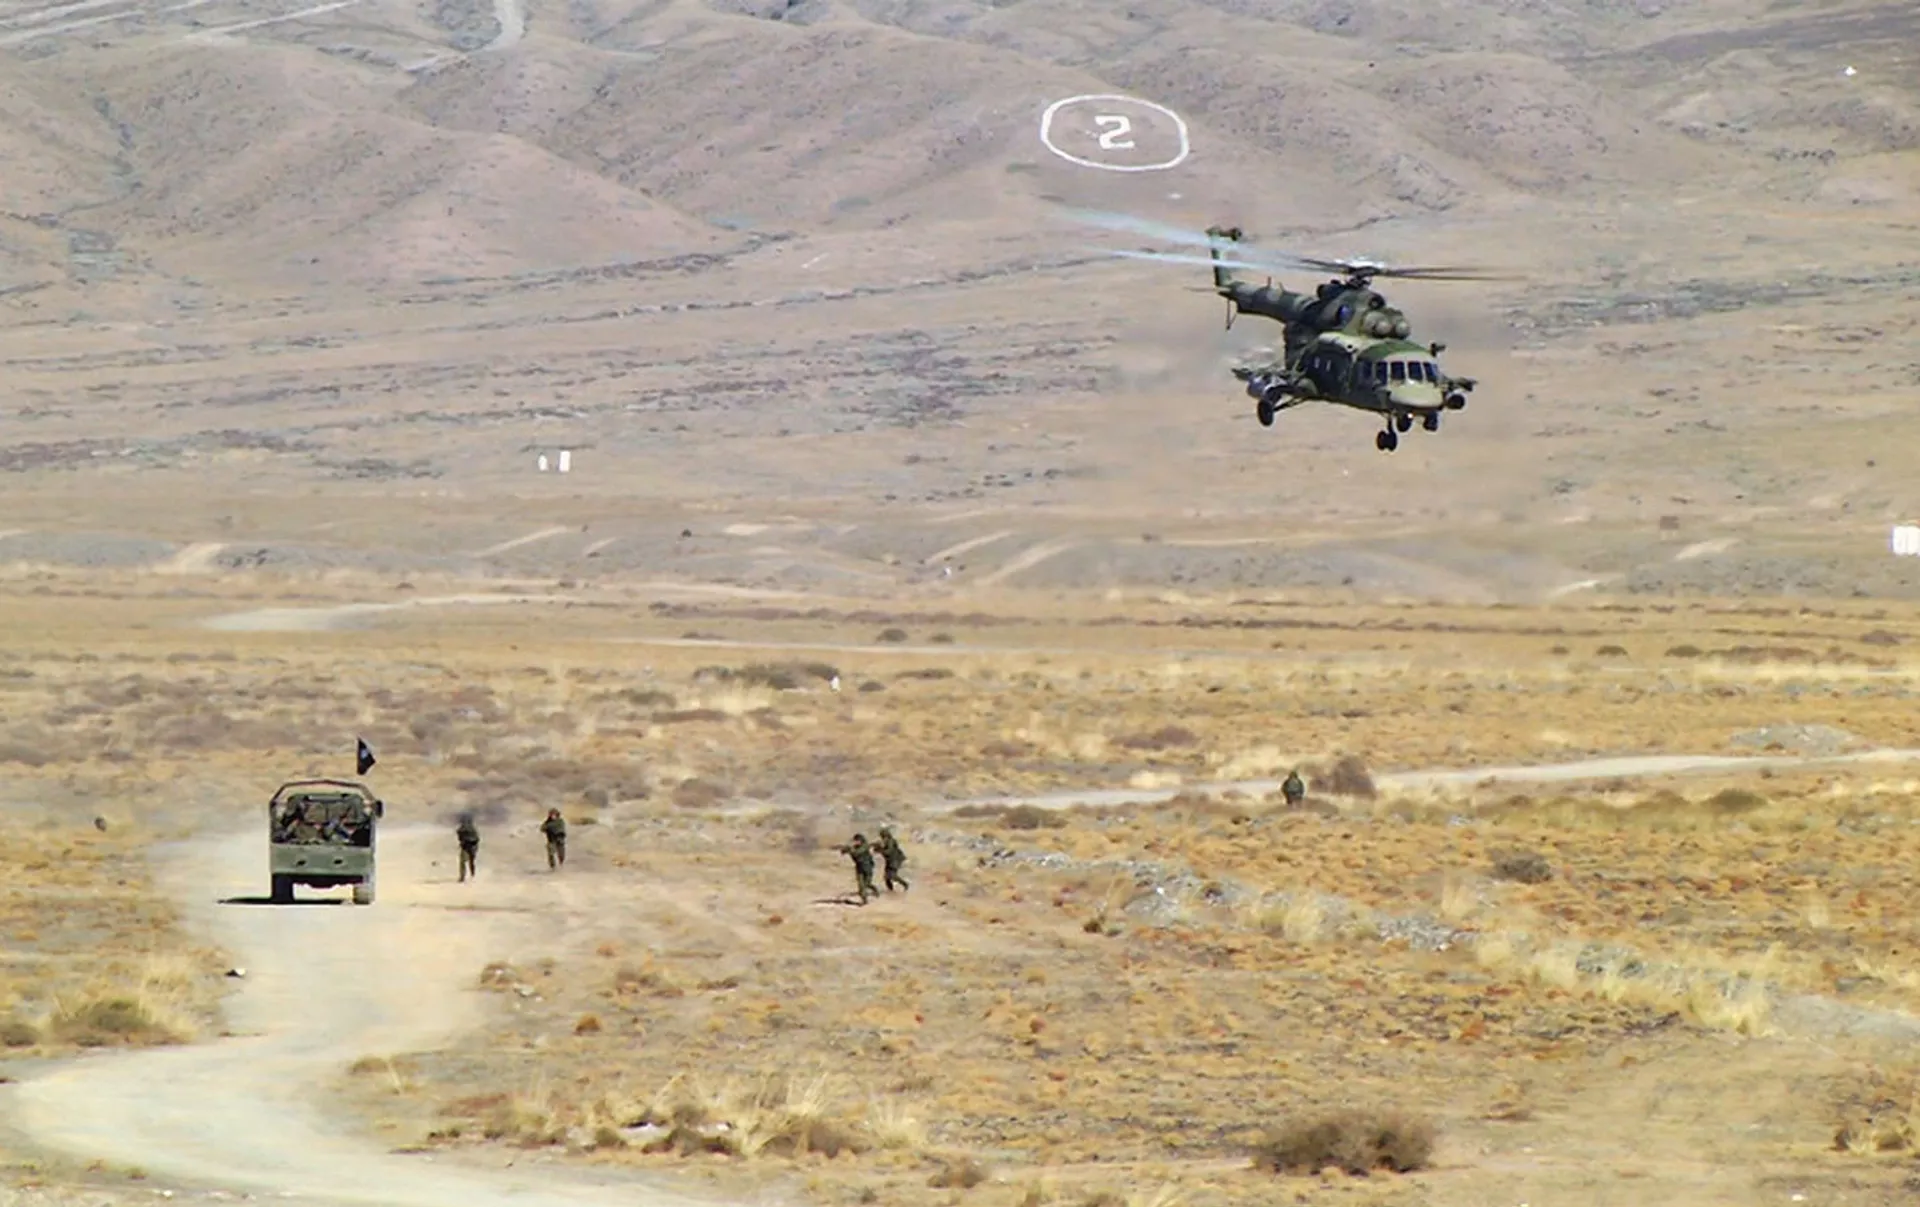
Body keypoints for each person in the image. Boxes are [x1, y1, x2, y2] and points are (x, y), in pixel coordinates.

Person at [834, 833, 879, 904]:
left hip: (867, 868)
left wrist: (850, 849)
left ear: (861, 840)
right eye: (855, 841)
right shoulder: (855, 847)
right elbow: (849, 852)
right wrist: (844, 850)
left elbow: (857, 852)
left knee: (867, 884)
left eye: (857, 840)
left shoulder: (865, 846)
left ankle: (874, 889)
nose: (856, 842)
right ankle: (864, 900)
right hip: (859, 868)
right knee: (861, 886)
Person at [875, 825, 909, 893]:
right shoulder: (887, 841)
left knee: (892, 875)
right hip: (890, 860)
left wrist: (880, 850)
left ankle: (905, 884)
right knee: (886, 877)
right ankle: (890, 891)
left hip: (895, 860)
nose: (882, 838)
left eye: (882, 836)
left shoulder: (890, 841)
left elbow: (889, 851)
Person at [456, 814, 480, 882]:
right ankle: (463, 876)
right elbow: (460, 838)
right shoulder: (461, 830)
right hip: (466, 847)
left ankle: (472, 875)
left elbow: (476, 839)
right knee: (463, 862)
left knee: (471, 862)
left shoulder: (472, 830)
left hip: (472, 847)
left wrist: (468, 841)